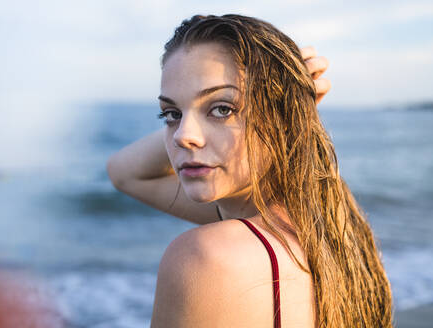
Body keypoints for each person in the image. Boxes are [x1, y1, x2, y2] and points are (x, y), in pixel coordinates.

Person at [107, 14, 393, 327]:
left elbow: (125, 174)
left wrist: (291, 105)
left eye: (222, 109)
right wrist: (289, 106)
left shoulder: (205, 258)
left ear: (282, 118)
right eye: (171, 113)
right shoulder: (333, 229)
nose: (182, 135)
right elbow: (122, 173)